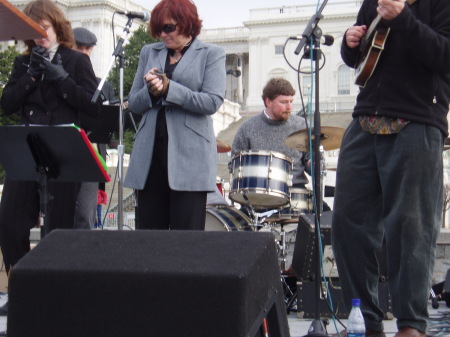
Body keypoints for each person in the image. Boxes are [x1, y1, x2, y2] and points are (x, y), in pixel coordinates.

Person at [331, 1, 450, 337]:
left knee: (411, 226)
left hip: (417, 118)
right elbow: (360, 60)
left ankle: (411, 324)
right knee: (347, 222)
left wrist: (404, 19)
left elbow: (445, 55)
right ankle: (363, 321)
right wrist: (350, 42)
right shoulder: (374, 2)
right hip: (366, 115)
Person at [0, 0, 101, 281]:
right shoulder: (23, 62)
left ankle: (57, 287)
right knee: (10, 221)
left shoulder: (77, 60)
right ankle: (21, 283)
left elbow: (92, 107)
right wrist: (30, 77)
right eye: (33, 30)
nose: (40, 35)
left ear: (57, 26)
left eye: (44, 28)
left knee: (61, 225)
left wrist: (62, 79)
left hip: (64, 149)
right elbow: (7, 104)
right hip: (29, 147)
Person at [123, 0, 226, 230]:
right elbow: (134, 102)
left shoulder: (212, 53)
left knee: (185, 243)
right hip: (150, 156)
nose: (162, 34)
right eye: (158, 29)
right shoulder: (149, 52)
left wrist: (170, 89)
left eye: (168, 27)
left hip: (190, 158)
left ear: (186, 23)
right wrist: (151, 91)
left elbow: (212, 101)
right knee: (149, 239)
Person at [231, 78, 313, 217]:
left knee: (329, 218)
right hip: (257, 198)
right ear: (268, 102)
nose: (289, 107)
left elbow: (310, 161)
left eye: (291, 102)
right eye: (283, 102)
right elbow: (234, 164)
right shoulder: (248, 128)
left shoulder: (301, 125)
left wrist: (313, 163)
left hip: (296, 196)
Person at [72, 27, 114, 229]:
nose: (85, 54)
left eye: (88, 49)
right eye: (80, 48)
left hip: (92, 153)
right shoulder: (60, 77)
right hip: (67, 149)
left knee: (86, 215)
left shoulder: (102, 84)